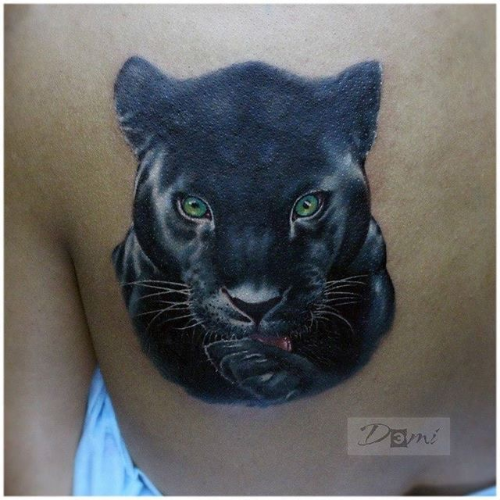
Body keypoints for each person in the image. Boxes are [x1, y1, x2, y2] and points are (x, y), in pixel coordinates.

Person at [5, 4, 495, 495]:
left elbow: (32, 461)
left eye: (308, 207)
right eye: (193, 208)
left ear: (362, 130)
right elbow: (388, 438)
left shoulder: (50, 47)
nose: (254, 290)